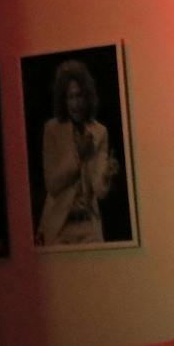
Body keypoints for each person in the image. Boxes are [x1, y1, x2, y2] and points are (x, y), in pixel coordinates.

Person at [35, 59, 120, 247]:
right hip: (59, 227)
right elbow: (53, 185)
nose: (76, 103)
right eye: (70, 97)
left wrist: (107, 175)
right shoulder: (52, 130)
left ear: (87, 97)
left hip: (89, 227)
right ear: (63, 100)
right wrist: (79, 157)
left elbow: (100, 191)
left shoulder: (99, 131)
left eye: (80, 96)